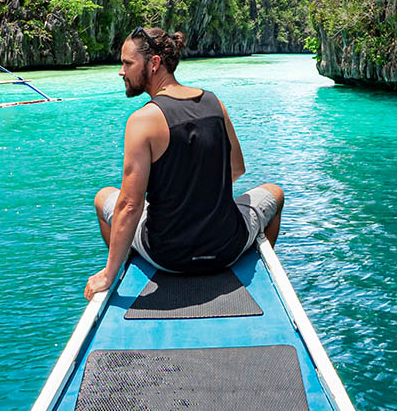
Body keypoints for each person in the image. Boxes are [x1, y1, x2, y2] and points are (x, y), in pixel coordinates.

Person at [84, 26, 284, 300]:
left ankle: (121, 266)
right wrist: (199, 200)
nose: (121, 71)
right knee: (275, 193)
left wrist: (106, 275)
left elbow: (131, 205)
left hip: (167, 256)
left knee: (103, 198)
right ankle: (255, 268)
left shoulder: (142, 121)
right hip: (226, 248)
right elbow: (236, 169)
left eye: (127, 63)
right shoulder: (214, 103)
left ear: (154, 64)